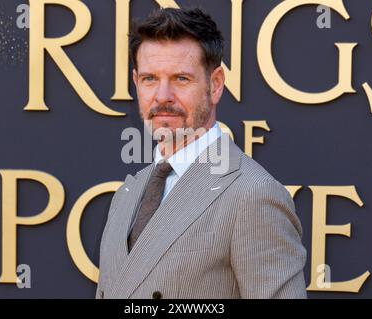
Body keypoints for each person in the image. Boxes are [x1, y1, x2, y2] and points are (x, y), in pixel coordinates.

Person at [96, 7, 306, 299]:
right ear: (136, 82)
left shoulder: (254, 195)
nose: (162, 96)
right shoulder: (127, 194)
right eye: (150, 79)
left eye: (181, 79)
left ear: (215, 84)